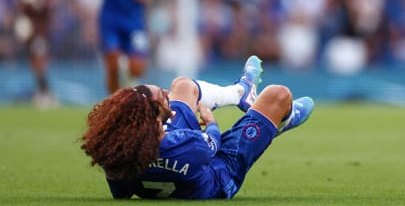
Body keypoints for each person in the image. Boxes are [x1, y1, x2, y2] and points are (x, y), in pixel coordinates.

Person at [80, 55, 315, 199]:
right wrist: (210, 122)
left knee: (182, 85)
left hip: (175, 154)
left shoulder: (116, 153)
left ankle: (241, 91)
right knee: (279, 95)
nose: (166, 94)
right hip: (220, 174)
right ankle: (280, 121)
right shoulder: (186, 143)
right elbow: (213, 143)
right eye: (163, 98)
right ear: (152, 119)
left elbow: (121, 192)